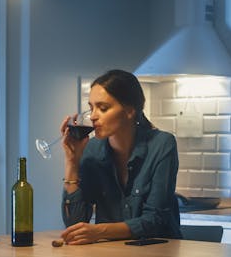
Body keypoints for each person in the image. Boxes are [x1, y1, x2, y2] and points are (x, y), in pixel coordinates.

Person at [59, 69, 182, 244]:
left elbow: (155, 220)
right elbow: (75, 225)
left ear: (130, 111)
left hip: (159, 255)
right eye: (91, 107)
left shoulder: (162, 144)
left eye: (103, 108)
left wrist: (99, 231)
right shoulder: (92, 149)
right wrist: (71, 162)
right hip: (111, 256)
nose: (93, 116)